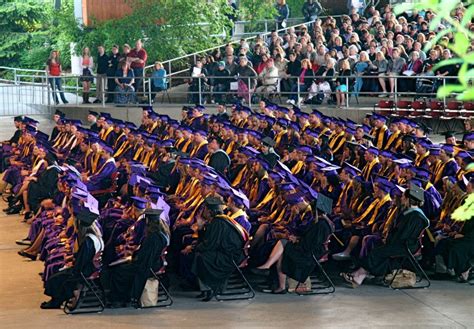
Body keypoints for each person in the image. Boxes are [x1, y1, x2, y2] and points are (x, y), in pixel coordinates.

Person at [341, 185, 429, 287]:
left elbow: (403, 235)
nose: (401, 198)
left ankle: (359, 276)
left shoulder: (416, 216)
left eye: (403, 197)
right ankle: (361, 275)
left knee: (377, 252)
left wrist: (388, 240)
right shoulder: (410, 213)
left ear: (409, 199)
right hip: (401, 243)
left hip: (407, 246)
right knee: (376, 248)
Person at [255, 194, 334, 294]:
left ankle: (278, 282)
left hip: (311, 252)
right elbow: (310, 239)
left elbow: (309, 244)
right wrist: (297, 238)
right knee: (281, 246)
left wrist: (296, 240)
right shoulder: (324, 222)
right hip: (310, 248)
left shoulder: (320, 225)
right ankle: (277, 282)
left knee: (283, 249)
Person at [105, 209, 170, 307]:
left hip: (148, 265)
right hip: (155, 262)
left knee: (119, 271)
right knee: (123, 266)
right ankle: (120, 297)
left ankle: (119, 300)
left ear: (148, 222)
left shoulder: (152, 238)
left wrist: (134, 257)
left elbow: (144, 257)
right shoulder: (162, 234)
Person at [40, 209, 104, 309]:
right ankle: (56, 300)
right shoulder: (96, 236)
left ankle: (56, 301)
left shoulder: (88, 241)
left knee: (56, 277)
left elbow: (81, 262)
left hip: (84, 271)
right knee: (59, 273)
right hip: (91, 268)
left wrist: (72, 264)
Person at [192, 197, 247, 301]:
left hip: (229, 257)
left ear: (210, 211)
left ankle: (210, 288)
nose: (203, 212)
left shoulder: (218, 223)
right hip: (226, 252)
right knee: (198, 255)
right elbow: (210, 241)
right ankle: (206, 289)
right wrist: (200, 229)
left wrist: (195, 247)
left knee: (201, 257)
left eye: (205, 209)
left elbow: (210, 244)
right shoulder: (219, 220)